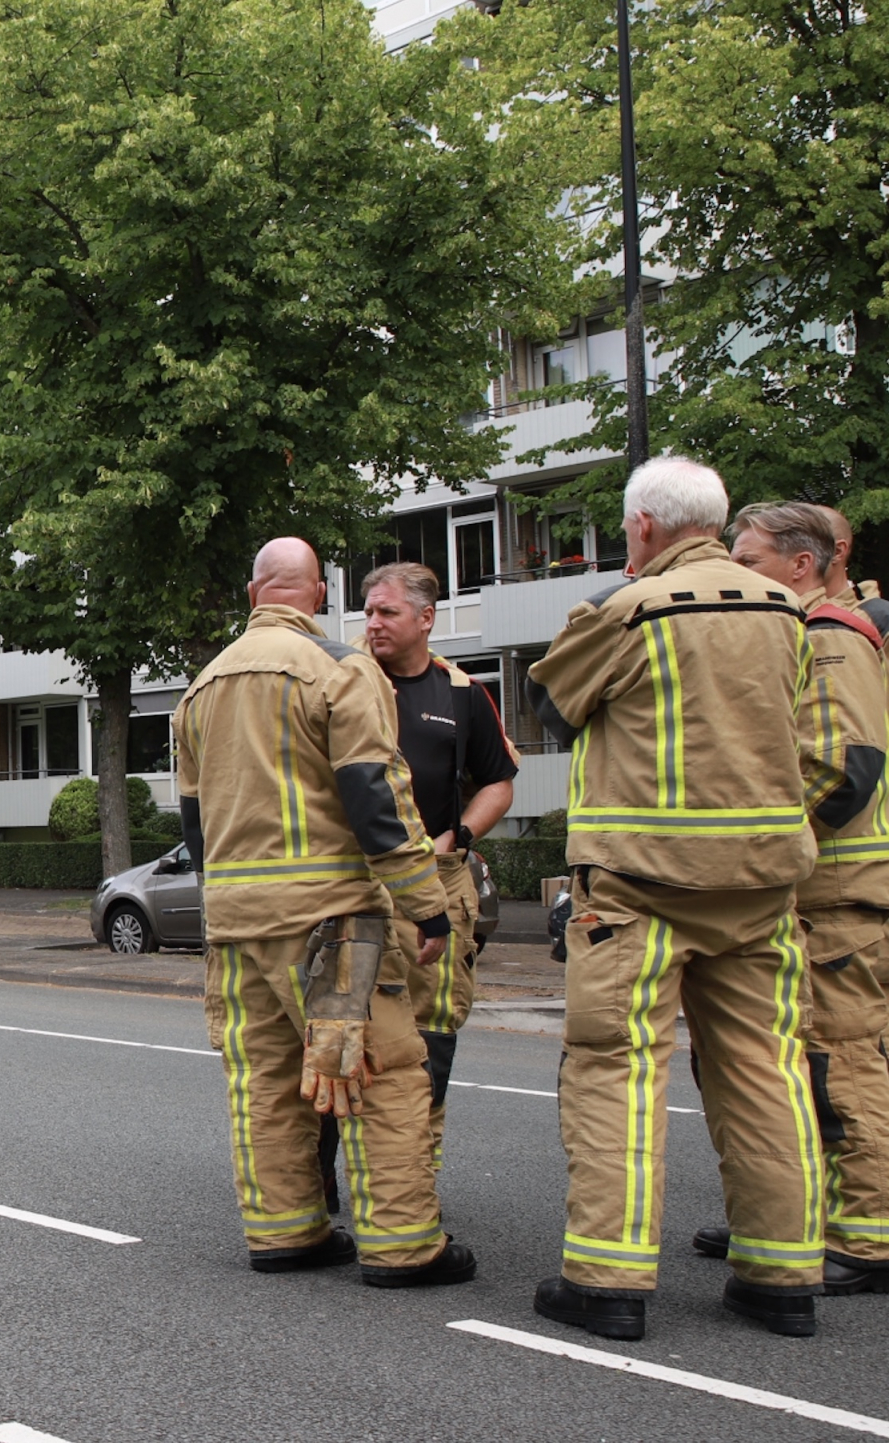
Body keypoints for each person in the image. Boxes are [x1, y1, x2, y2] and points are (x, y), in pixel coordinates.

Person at [527, 456, 837, 1341]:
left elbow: (555, 704)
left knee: (616, 1069)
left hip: (640, 884)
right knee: (765, 1072)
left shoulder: (631, 610)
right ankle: (782, 1280)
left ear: (643, 528)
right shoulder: (789, 611)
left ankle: (609, 1281)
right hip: (763, 886)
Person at [174, 536, 475, 1286]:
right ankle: (404, 1244)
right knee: (381, 1072)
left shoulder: (200, 687)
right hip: (335, 923)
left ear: (255, 596)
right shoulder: (342, 670)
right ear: (317, 596)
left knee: (266, 1081)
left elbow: (193, 821)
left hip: (238, 925)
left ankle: (285, 1231)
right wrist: (427, 908)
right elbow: (379, 798)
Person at [686, 501, 889, 1297]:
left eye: (749, 558)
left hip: (835, 895)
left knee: (840, 1065)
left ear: (802, 565)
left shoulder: (830, 633)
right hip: (811, 892)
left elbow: (844, 767)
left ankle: (866, 1238)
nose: (735, 573)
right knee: (786, 1068)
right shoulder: (790, 627)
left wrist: (754, 844)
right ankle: (786, 1219)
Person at [360, 561, 520, 1161]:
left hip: (435, 882)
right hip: (354, 880)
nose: (373, 623)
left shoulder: (461, 693)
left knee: (431, 1028)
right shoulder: (341, 678)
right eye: (369, 611)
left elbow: (499, 782)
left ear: (427, 619)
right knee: (337, 1025)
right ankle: (322, 1174)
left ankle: (413, 1170)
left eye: (387, 612)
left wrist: (459, 835)